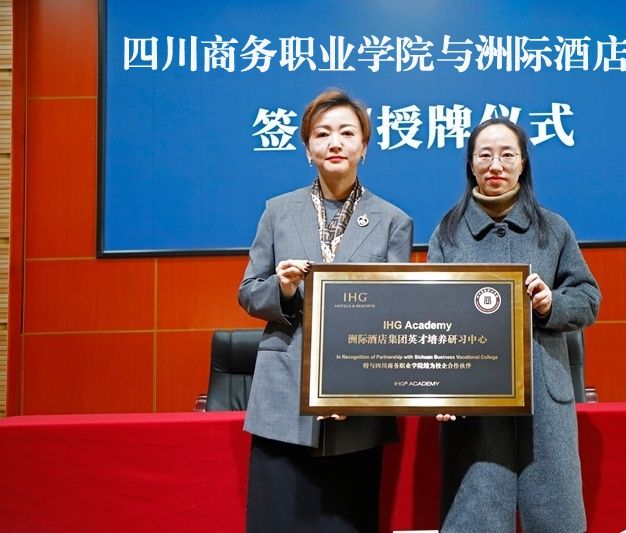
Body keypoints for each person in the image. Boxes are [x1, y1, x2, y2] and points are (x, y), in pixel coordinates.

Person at [238, 89, 413, 533]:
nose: (335, 142)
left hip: (357, 405)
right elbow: (248, 293)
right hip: (285, 397)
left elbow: (395, 315)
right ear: (308, 148)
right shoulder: (278, 211)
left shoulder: (393, 221)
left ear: (364, 147)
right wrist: (283, 288)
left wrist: (354, 386)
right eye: (322, 133)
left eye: (347, 133)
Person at [428, 118, 600, 533]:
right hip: (474, 402)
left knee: (556, 517)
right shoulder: (448, 233)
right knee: (475, 516)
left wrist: (550, 303)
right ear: (471, 164)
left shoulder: (553, 229)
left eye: (507, 154)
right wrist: (441, 388)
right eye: (484, 155)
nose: (495, 165)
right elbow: (431, 316)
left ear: (523, 163)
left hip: (545, 398)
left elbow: (588, 298)